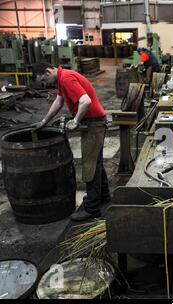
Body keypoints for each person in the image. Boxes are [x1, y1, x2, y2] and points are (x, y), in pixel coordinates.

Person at [32, 62, 111, 221]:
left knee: (90, 166)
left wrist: (75, 121)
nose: (44, 84)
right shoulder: (62, 78)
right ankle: (103, 196)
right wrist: (45, 121)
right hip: (94, 121)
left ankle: (92, 208)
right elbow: (58, 102)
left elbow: (85, 101)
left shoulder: (66, 78)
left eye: (43, 81)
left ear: (47, 72)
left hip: (94, 123)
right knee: (96, 163)